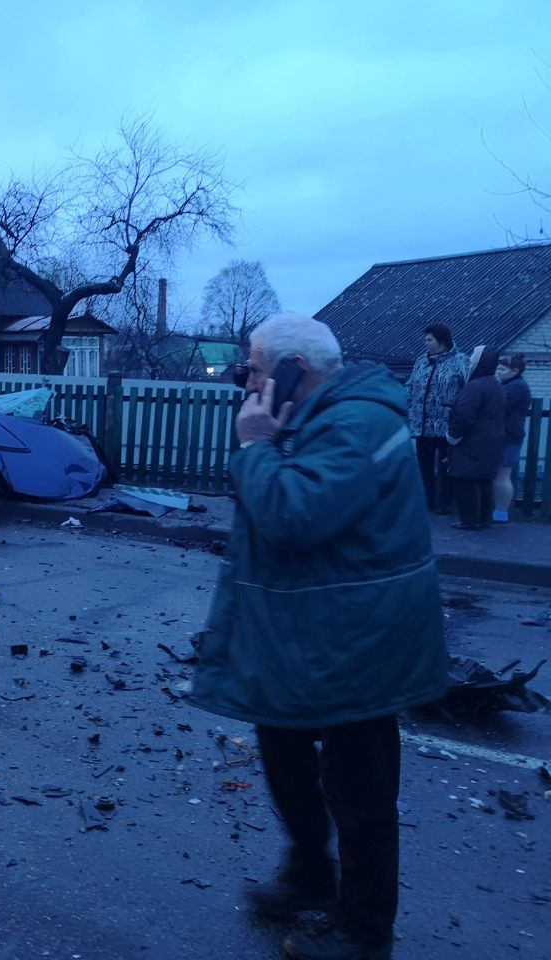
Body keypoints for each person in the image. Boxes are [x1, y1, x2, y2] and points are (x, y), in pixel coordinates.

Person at [191, 313, 446, 960]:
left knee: (358, 791)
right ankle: (310, 874)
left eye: (252, 369)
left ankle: (364, 931)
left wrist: (254, 446)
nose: (245, 381)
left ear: (290, 370)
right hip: (314, 639)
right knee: (283, 750)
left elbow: (291, 515)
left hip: (358, 645)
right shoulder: (316, 419)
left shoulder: (357, 425)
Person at [404, 323, 469, 513]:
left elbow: (467, 390)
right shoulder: (421, 361)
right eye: (425, 339)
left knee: (444, 467)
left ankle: (443, 504)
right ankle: (426, 502)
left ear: (441, 341)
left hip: (445, 424)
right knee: (424, 466)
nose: (426, 343)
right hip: (421, 424)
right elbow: (410, 385)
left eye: (429, 339)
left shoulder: (460, 360)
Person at [446, 345, 505, 530]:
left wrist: (453, 435)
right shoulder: (495, 385)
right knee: (484, 480)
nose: (470, 361)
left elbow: (464, 415)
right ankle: (484, 519)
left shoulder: (474, 386)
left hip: (473, 440)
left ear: (480, 362)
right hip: (492, 440)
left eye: (473, 357)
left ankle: (470, 520)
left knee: (467, 479)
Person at [492, 353, 531, 523]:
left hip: (508, 437)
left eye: (502, 369)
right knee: (500, 475)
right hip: (507, 435)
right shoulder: (514, 385)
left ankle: (501, 513)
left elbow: (497, 406)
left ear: (514, 370)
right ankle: (499, 511)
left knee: (502, 475)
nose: (498, 372)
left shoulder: (516, 387)